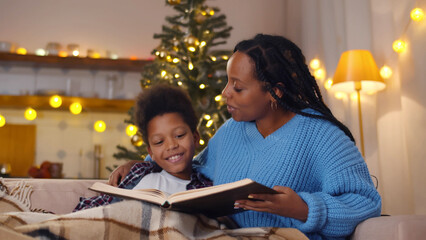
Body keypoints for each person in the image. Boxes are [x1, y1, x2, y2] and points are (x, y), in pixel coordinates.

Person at [108, 34, 381, 239]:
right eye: (228, 82)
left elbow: (366, 204)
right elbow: (191, 166)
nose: (225, 93)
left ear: (275, 92)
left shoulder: (322, 136)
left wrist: (303, 208)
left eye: (237, 88)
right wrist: (142, 164)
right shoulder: (232, 130)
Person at [74, 84, 212, 211]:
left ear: (195, 138)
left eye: (179, 135)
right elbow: (102, 205)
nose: (171, 146)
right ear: (151, 152)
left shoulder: (205, 187)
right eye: (159, 142)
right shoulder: (140, 173)